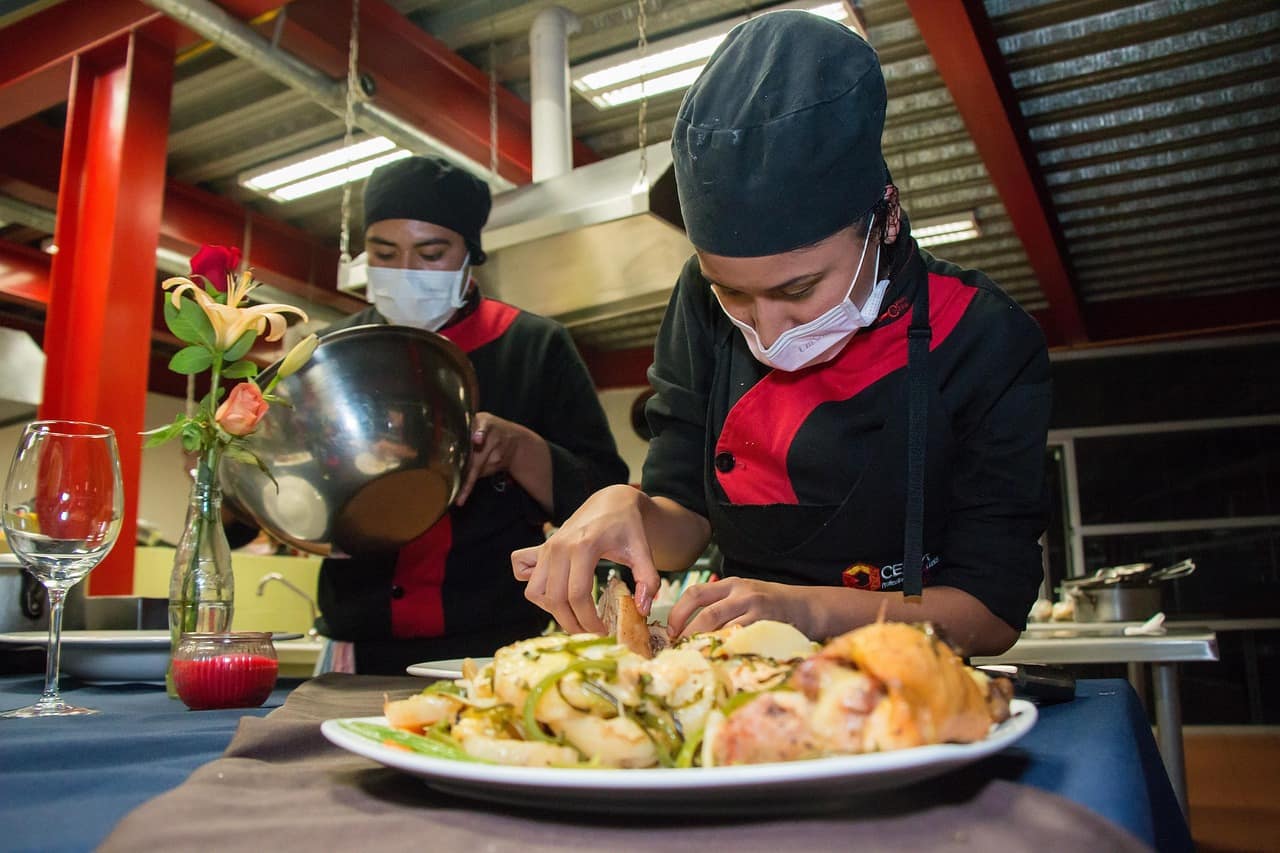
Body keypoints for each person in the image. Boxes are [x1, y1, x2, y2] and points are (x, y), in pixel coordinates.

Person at [512, 11, 1051, 658]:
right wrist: (626, 507)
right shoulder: (697, 303)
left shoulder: (983, 337)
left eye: (798, 290)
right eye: (733, 291)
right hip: (737, 680)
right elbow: (682, 516)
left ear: (884, 218)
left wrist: (802, 608)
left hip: (907, 695)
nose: (765, 330)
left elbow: (991, 612)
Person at [316, 156, 630, 674]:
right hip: (360, 647)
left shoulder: (531, 346)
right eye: (384, 253)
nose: (407, 272)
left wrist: (521, 450)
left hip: (497, 645)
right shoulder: (334, 352)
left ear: (470, 256)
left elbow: (603, 495)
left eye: (432, 253)